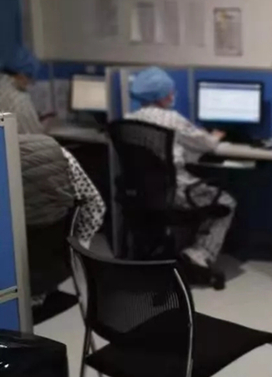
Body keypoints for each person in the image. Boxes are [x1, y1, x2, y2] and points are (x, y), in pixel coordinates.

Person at [127, 66, 235, 289]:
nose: (172, 95)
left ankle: (178, 253)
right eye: (170, 91)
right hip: (177, 191)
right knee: (227, 202)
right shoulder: (171, 119)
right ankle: (199, 254)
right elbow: (205, 143)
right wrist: (215, 136)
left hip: (144, 192)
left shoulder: (129, 119)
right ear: (162, 95)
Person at [19, 133, 106, 306]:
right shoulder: (56, 151)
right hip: (61, 265)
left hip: (13, 286)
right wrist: (78, 250)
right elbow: (95, 206)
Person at [0, 45, 44, 134]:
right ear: (21, 75)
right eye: (30, 77)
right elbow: (34, 137)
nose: (30, 83)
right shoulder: (18, 99)